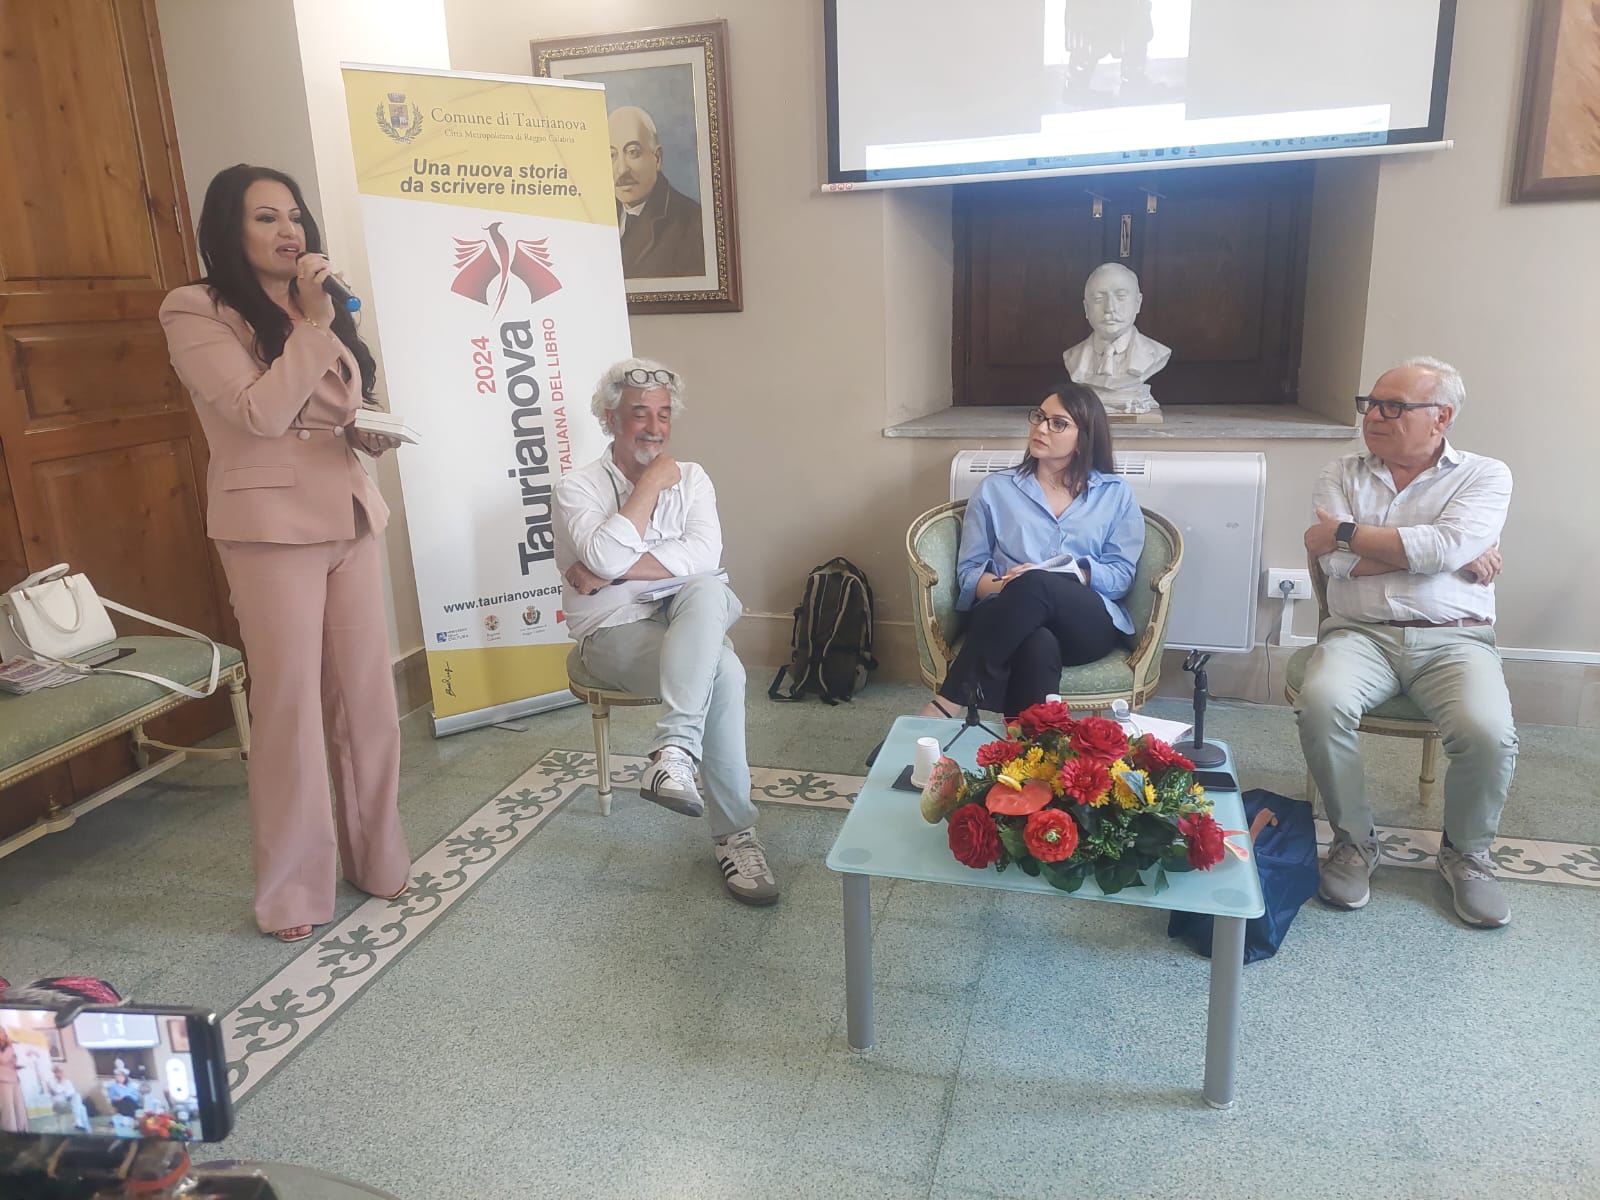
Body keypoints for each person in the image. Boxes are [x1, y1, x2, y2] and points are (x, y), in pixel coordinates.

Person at [159, 164, 412, 943]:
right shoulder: (195, 309)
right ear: (228, 229)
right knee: (291, 711)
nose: (289, 230)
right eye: (266, 217)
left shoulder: (313, 304)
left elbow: (336, 406)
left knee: (368, 702)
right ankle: (294, 893)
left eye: (295, 215)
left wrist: (367, 428)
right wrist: (314, 322)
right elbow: (259, 415)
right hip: (269, 528)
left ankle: (378, 859)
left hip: (348, 514)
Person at [1295, 356, 1516, 928]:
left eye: (1393, 407)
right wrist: (1448, 555)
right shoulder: (1341, 471)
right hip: (1359, 635)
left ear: (1441, 417)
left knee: (1487, 731)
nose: (1373, 416)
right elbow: (1338, 566)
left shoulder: (1485, 475)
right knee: (1321, 703)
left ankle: (1466, 853)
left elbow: (1429, 547)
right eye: (1370, 404)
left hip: (1455, 641)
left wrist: (1348, 533)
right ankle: (1354, 842)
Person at [553, 359, 777, 905]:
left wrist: (611, 573)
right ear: (610, 419)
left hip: (685, 614)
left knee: (706, 589)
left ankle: (674, 752)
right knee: (724, 672)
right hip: (611, 630)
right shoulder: (575, 488)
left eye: (664, 414)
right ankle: (735, 836)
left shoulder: (694, 478)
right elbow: (605, 552)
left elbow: (704, 555)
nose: (654, 428)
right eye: (639, 414)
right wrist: (651, 483)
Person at [918, 381, 1144, 718]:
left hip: (1083, 624)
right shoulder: (995, 489)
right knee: (1037, 642)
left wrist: (1072, 574)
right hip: (1006, 615)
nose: (1041, 428)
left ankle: (947, 703)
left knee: (1037, 582)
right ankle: (1028, 746)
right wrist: (1009, 585)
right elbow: (970, 574)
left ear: (1084, 439)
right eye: (1039, 416)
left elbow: (1121, 575)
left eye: (1058, 423)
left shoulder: (1115, 494)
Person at [610, 106, 705, 279]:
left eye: (633, 152)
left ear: (657, 159)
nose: (622, 169)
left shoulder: (694, 225)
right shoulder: (596, 218)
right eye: (611, 155)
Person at [1062, 262, 1171, 415]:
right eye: (1099, 299)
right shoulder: (1073, 357)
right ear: (1086, 308)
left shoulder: (1158, 353)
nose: (1109, 308)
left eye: (1120, 297)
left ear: (1138, 303)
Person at [45, 1065, 90, 1133]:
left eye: (60, 1071)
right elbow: (57, 1090)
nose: (59, 1073)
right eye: (56, 1071)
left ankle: (84, 1128)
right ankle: (78, 1123)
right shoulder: (50, 1082)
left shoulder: (67, 1081)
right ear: (53, 1072)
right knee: (80, 1107)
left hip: (69, 1102)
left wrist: (64, 1093)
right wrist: (60, 1082)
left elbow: (71, 1092)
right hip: (58, 1104)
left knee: (81, 1105)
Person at [0, 1027, 26, 1133]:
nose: (4, 1034)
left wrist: (16, 1063)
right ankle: (10, 1134)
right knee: (8, 1109)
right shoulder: (9, 1047)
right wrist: (10, 1046)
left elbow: (10, 1060)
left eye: (3, 1031)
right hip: (3, 1080)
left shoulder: (7, 1046)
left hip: (14, 1079)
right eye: (1, 1032)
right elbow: (3, 1059)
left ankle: (22, 1131)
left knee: (19, 1107)